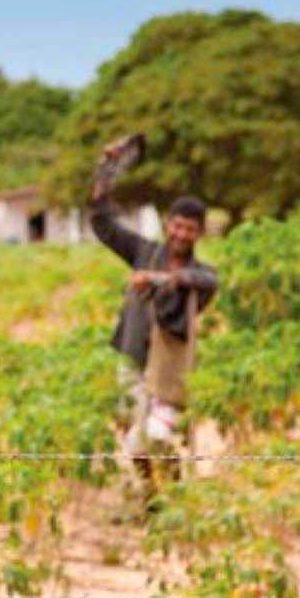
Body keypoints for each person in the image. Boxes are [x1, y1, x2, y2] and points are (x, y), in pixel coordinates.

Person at [88, 138, 217, 493]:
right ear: (167, 224)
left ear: (199, 233)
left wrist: (159, 280)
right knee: (132, 437)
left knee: (157, 436)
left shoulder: (202, 275)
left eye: (189, 229)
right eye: (177, 226)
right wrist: (106, 169)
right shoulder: (144, 251)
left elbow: (203, 280)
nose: (181, 234)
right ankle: (153, 495)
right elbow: (101, 222)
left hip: (168, 369)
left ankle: (172, 489)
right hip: (132, 355)